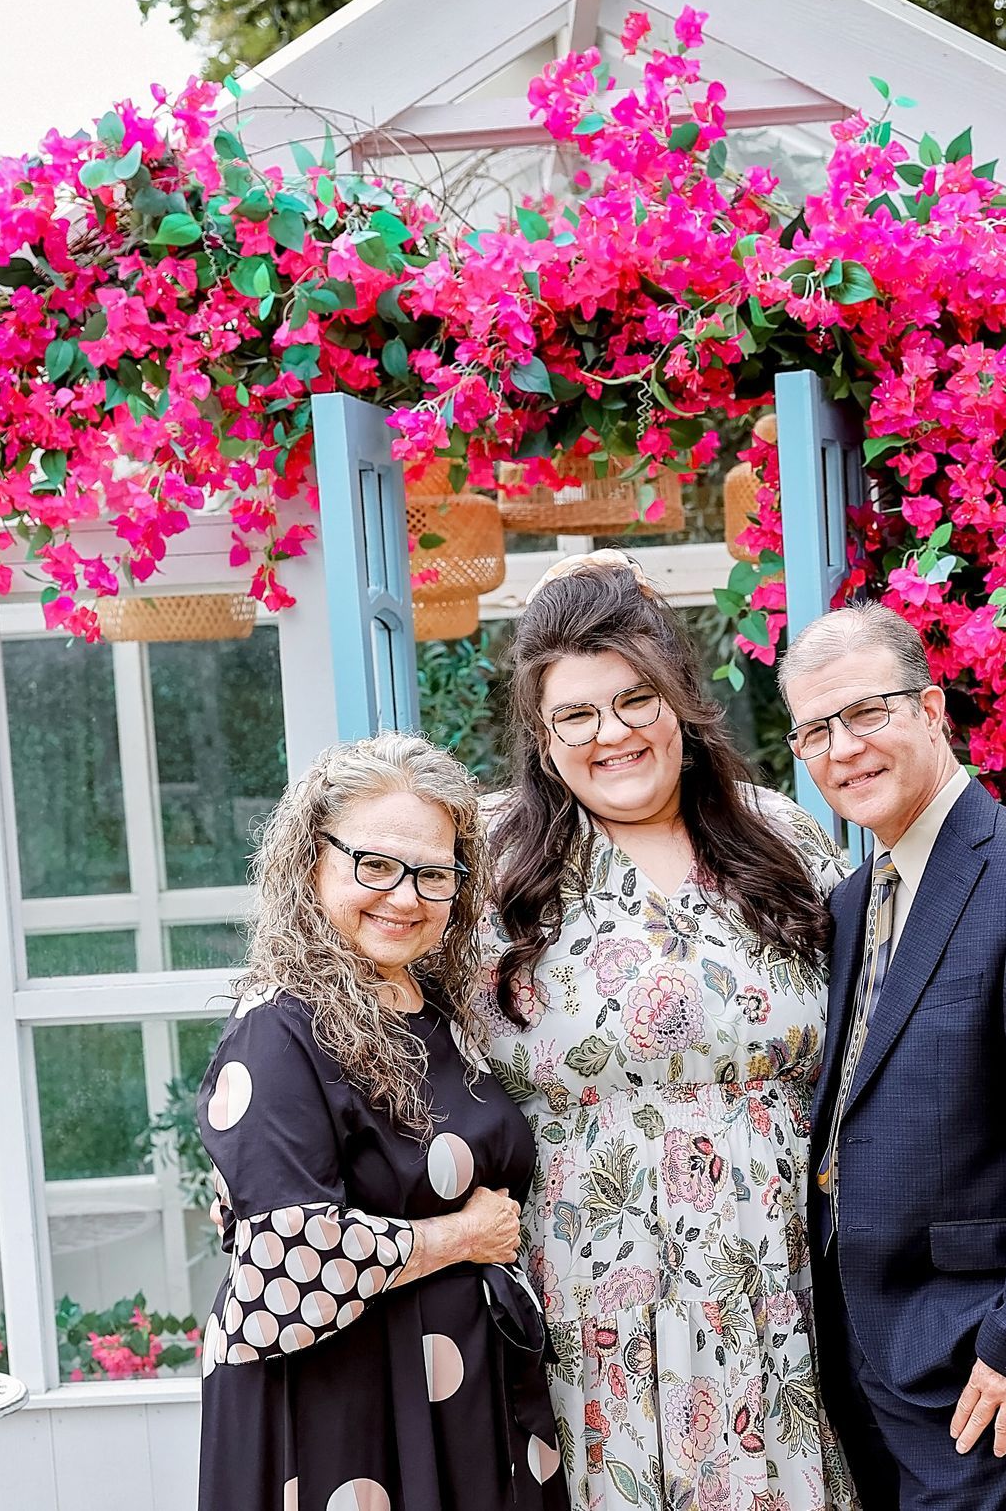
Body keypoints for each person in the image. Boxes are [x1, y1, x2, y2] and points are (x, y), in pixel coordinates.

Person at [478, 552, 859, 1510]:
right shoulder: (488, 866)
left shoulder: (785, 840)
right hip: (584, 1288)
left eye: (635, 699)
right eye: (576, 714)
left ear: (678, 699)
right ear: (540, 731)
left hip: (783, 1276)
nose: (612, 733)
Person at [778, 603, 1006, 1511]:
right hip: (857, 1348)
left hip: (973, 1362)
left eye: (868, 713)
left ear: (932, 709)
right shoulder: (854, 898)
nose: (845, 748)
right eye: (817, 730)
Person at [196, 731, 568, 1511]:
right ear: (309, 863)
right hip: (347, 1411)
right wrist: (459, 1240)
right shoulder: (280, 1029)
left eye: (434, 874)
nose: (405, 897)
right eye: (375, 865)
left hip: (454, 1393)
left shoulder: (427, 1007)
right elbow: (285, 1267)